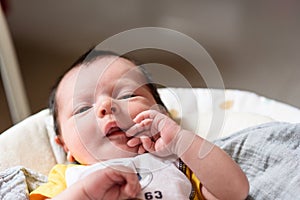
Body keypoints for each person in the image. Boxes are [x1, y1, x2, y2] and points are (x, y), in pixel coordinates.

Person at [30, 48, 249, 200]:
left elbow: (235, 192)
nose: (106, 105)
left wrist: (180, 139)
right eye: (83, 109)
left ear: (162, 115)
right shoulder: (67, 178)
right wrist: (85, 193)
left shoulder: (180, 162)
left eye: (126, 95)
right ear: (65, 146)